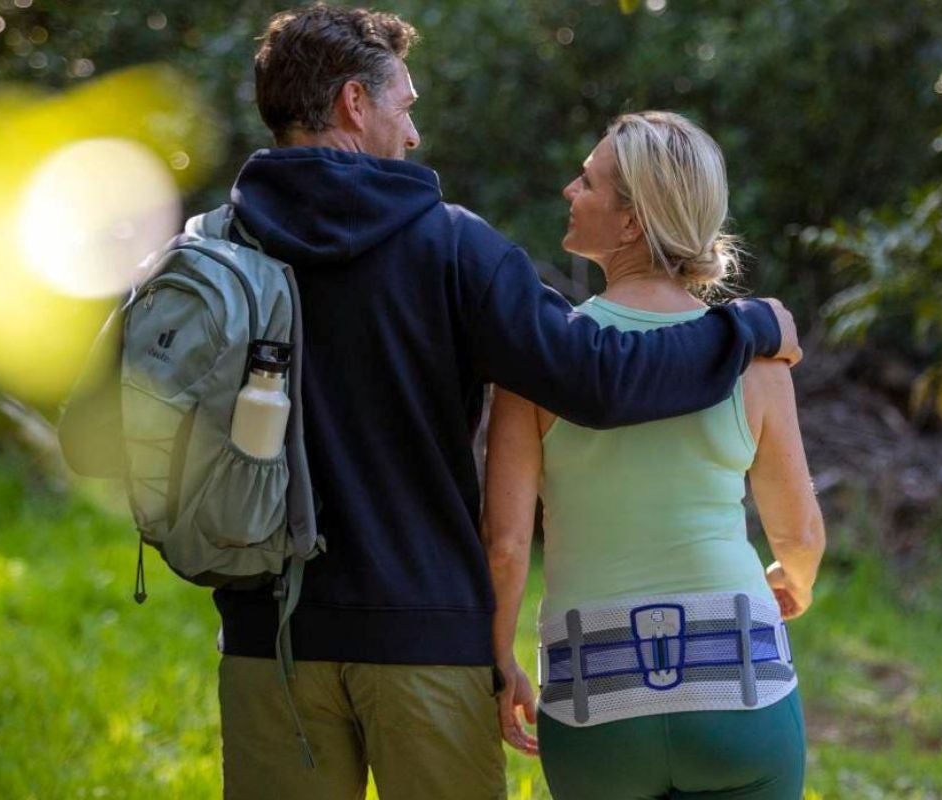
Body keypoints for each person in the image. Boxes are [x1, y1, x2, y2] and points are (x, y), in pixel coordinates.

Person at [210, 7, 804, 799]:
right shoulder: (453, 247)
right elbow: (596, 376)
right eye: (406, 105)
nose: (414, 134)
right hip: (421, 639)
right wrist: (749, 326)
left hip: (266, 641)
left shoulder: (215, 245)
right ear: (356, 103)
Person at [483, 111, 828, 800]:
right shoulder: (757, 358)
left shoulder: (542, 365)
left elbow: (506, 547)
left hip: (593, 698)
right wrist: (796, 579)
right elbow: (800, 533)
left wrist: (500, 664)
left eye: (586, 180)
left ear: (632, 221)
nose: (567, 190)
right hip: (738, 689)